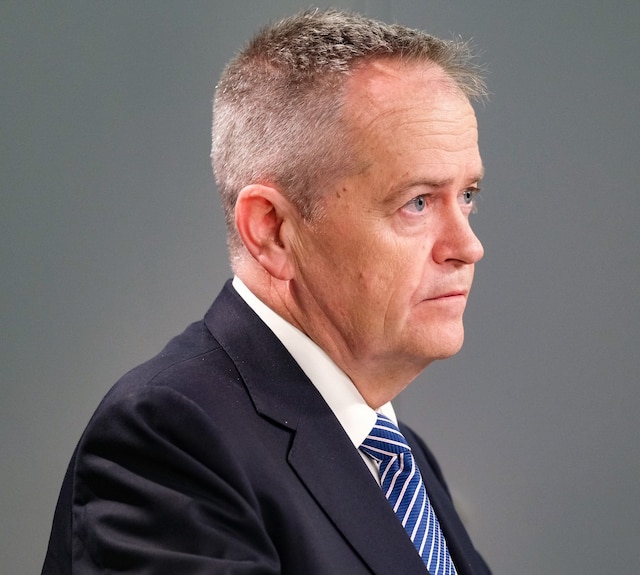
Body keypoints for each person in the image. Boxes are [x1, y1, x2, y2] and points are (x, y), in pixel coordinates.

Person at [42, 9, 491, 575]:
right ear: (272, 229)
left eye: (468, 194)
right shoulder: (168, 440)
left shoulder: (400, 460)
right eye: (418, 202)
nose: (466, 245)